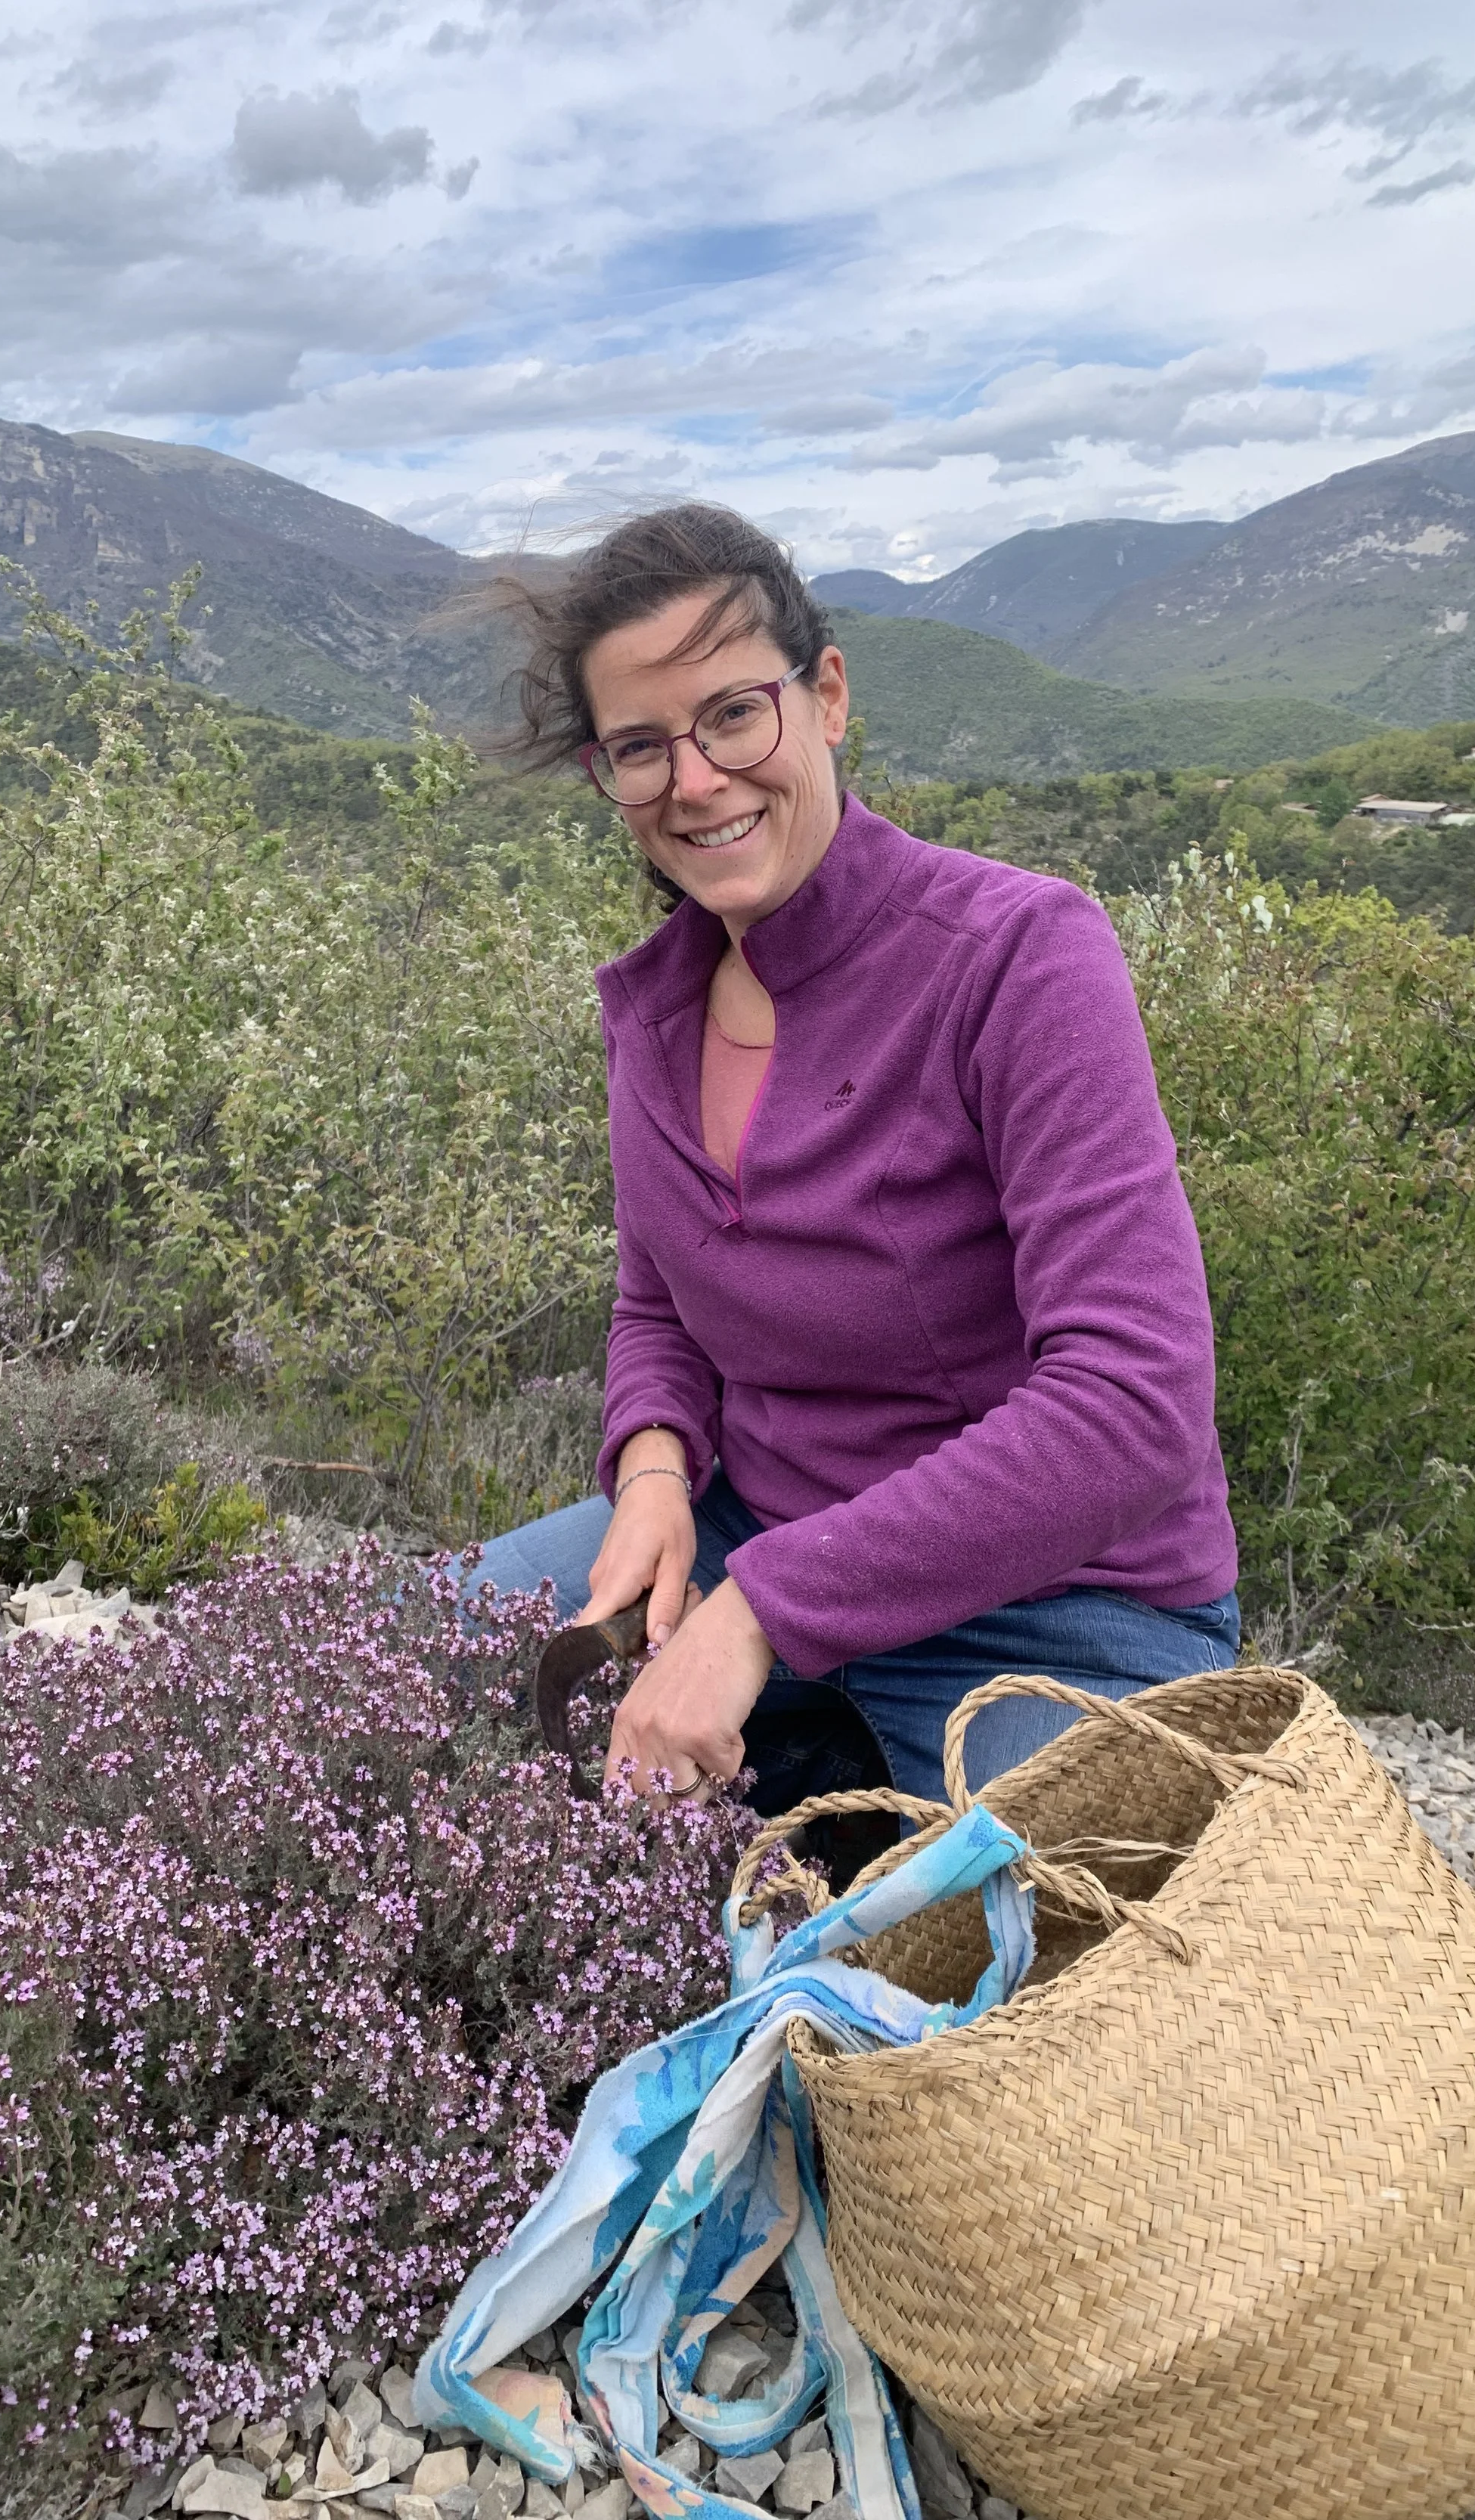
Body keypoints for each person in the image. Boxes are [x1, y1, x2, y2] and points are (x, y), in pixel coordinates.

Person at [470, 504, 1240, 1815]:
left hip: (1054, 1615)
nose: (696, 781)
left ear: (825, 697)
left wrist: (760, 1609)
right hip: (735, 1542)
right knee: (358, 1655)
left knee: (1001, 1968)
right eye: (641, 748)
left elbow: (1135, 1403)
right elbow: (659, 1301)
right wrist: (653, 1468)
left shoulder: (1020, 959)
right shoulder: (652, 1011)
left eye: (731, 716)